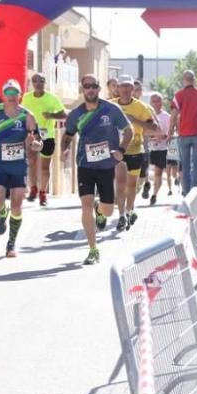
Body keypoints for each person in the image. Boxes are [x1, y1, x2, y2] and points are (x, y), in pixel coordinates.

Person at [61, 74, 133, 265]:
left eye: (94, 86)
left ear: (99, 89)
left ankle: (100, 210)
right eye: (87, 86)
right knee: (85, 205)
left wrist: (121, 150)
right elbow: (68, 134)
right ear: (82, 89)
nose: (90, 89)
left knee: (108, 211)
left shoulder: (111, 109)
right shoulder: (76, 114)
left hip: (106, 166)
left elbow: (129, 131)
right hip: (85, 165)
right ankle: (93, 249)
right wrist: (64, 149)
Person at [0, 80, 40, 258]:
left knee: (17, 207)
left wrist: (33, 144)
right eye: (8, 93)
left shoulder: (28, 116)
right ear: (3, 95)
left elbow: (39, 144)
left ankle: (11, 244)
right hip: (0, 166)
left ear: (20, 95)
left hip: (19, 167)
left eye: (14, 93)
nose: (11, 97)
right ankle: (2, 213)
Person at [113, 76, 160, 232]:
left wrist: (135, 120)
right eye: (123, 86)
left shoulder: (140, 107)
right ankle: (121, 216)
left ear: (133, 89)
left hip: (135, 150)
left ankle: (128, 211)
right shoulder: (110, 105)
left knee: (131, 185)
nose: (126, 90)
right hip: (118, 150)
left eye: (129, 87)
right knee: (120, 183)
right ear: (117, 88)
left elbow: (154, 127)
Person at [21, 73, 67, 206]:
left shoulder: (52, 98)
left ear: (44, 82)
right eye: (35, 81)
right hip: (32, 133)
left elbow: (64, 114)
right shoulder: (26, 97)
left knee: (45, 167)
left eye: (41, 81)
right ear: (32, 83)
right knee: (31, 162)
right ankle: (33, 189)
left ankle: (43, 193)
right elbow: (23, 114)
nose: (38, 84)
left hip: (47, 135)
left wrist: (51, 115)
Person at [170, 70, 197, 196]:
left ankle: (186, 192)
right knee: (196, 164)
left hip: (184, 133)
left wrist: (170, 133)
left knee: (185, 165)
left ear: (183, 80)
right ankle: (194, 191)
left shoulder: (178, 96)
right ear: (194, 79)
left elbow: (174, 115)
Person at [148, 93, 172, 206]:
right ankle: (146, 185)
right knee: (143, 172)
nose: (156, 103)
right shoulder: (146, 115)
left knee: (158, 172)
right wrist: (150, 136)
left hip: (161, 149)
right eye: (153, 101)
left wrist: (161, 136)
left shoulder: (166, 116)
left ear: (161, 103)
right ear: (150, 103)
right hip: (147, 148)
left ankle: (154, 194)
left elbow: (169, 133)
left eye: (158, 101)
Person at [165, 131, 180, 196]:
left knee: (174, 174)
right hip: (168, 157)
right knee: (168, 175)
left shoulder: (177, 136)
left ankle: (176, 178)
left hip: (175, 157)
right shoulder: (167, 135)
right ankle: (170, 190)